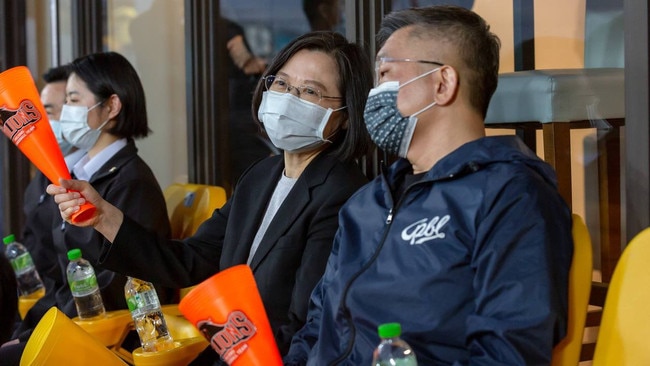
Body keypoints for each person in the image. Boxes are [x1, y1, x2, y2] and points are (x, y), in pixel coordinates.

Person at [48, 31, 374, 362]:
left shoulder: (343, 194)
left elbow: (307, 324)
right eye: (282, 84)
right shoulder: (260, 175)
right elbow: (190, 261)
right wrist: (104, 216)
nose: (289, 97)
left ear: (345, 115)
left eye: (310, 92)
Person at [284, 6, 573, 365]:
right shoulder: (366, 204)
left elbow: (509, 351)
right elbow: (316, 329)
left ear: (443, 83)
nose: (375, 94)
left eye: (387, 73)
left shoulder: (510, 194)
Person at [2, 51, 176, 362]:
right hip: (70, 318)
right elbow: (63, 278)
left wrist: (37, 335)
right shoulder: (82, 175)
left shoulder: (131, 181)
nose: (63, 112)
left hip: (105, 334)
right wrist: (26, 329)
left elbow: (120, 283)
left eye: (72, 100)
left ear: (111, 106)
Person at [21, 65, 81, 291]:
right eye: (44, 112)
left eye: (66, 108)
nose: (49, 121)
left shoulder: (85, 180)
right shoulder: (41, 176)